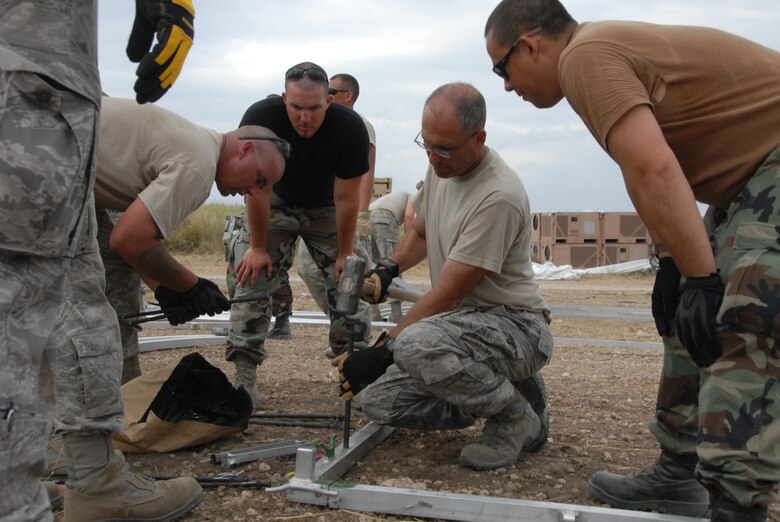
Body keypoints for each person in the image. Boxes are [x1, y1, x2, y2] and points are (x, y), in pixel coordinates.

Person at [484, 1, 780, 520]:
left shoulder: (585, 56)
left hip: (769, 166)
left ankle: (737, 505)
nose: (506, 85)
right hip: (749, 179)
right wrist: (674, 262)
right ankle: (678, 471)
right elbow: (650, 165)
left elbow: (652, 165)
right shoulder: (595, 57)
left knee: (743, 319)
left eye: (501, 67)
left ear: (529, 45)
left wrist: (704, 276)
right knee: (686, 316)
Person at [0, 1, 201, 520]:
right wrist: (180, 283)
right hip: (34, 74)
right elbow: (128, 241)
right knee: (65, 288)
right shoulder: (196, 156)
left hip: (25, 70)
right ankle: (95, 481)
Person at [334, 83, 553, 471]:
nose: (433, 158)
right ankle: (511, 393)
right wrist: (387, 270)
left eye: (444, 148)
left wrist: (382, 350)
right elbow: (419, 231)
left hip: (514, 327)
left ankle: (512, 416)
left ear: (478, 138)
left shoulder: (497, 195)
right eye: (427, 145)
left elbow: (450, 293)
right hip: (459, 330)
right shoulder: (442, 168)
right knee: (378, 402)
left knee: (413, 345)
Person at [227, 62, 373, 408]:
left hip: (327, 208)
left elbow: (347, 197)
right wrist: (259, 248)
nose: (304, 118)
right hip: (275, 202)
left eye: (314, 109)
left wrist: (345, 252)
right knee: (251, 276)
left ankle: (355, 372)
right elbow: (257, 191)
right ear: (283, 99)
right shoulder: (261, 119)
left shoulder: (350, 128)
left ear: (330, 102)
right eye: (296, 108)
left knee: (349, 280)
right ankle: (243, 380)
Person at [295, 72, 377, 322]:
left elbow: (367, 173)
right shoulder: (323, 123)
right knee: (312, 268)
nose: (326, 95)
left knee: (355, 269)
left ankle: (357, 325)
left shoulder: (359, 125)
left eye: (332, 92)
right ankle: (350, 320)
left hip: (343, 212)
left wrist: (362, 213)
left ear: (348, 95)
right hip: (320, 211)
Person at [367, 187, 419, 323]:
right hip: (384, 219)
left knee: (376, 267)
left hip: (368, 218)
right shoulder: (412, 197)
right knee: (392, 267)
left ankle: (374, 313)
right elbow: (408, 216)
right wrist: (410, 241)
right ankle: (396, 314)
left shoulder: (395, 196)